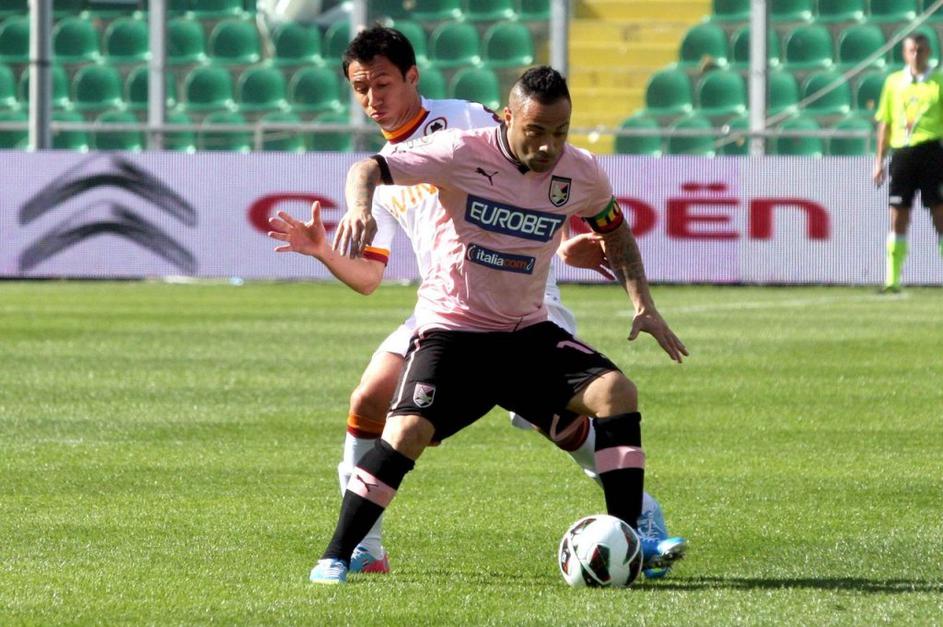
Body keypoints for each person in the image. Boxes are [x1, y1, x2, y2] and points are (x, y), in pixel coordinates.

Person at [268, 26, 684, 580]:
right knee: (372, 399)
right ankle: (362, 548)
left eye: (382, 84)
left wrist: (566, 244)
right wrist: (324, 251)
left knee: (562, 418)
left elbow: (533, 169)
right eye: (361, 88)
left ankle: (638, 519)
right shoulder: (388, 167)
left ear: (412, 77)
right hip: (447, 306)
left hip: (527, 299)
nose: (373, 98)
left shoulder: (465, 121)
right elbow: (369, 278)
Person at [873, 32, 943, 293]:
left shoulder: (938, 82)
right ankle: (892, 280)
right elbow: (885, 122)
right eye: (912, 50)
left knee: (939, 212)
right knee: (897, 214)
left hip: (931, 152)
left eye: (921, 50)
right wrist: (879, 161)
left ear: (929, 52)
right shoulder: (894, 83)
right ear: (904, 53)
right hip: (902, 154)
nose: (916, 55)